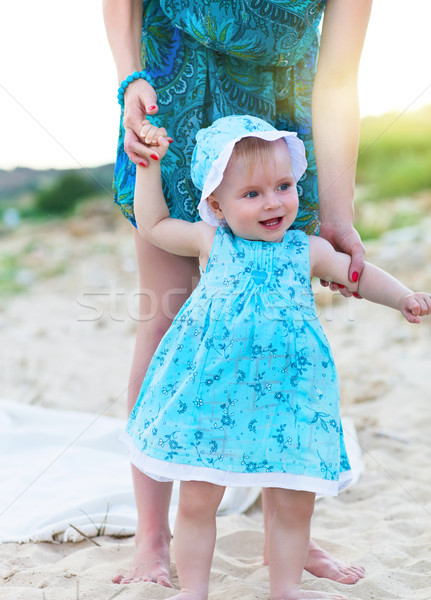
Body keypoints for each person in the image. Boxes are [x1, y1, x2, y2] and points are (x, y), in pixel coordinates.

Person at [103, 0, 373, 586]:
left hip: (276, 120)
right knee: (167, 312)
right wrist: (130, 80)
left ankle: (288, 534)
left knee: (278, 331)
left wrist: (337, 212)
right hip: (172, 92)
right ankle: (154, 534)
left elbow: (339, 75)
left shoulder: (280, 186)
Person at [120, 114, 431, 600]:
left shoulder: (307, 249)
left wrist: (403, 296)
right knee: (199, 497)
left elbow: (357, 276)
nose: (273, 202)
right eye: (252, 194)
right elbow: (155, 224)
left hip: (289, 395)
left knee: (293, 500)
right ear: (216, 206)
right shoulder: (210, 242)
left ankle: (284, 588)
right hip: (214, 394)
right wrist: (148, 169)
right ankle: (194, 590)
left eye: (284, 186)